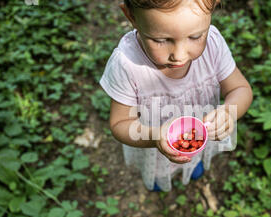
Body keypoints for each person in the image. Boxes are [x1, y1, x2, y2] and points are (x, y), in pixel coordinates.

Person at [99, 0, 253, 192]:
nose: (179, 55)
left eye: (196, 36)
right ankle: (159, 181)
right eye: (161, 40)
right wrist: (155, 137)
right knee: (158, 177)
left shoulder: (213, 44)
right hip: (154, 148)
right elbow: (119, 123)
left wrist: (229, 112)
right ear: (131, 16)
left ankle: (193, 166)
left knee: (194, 163)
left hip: (196, 139)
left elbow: (240, 89)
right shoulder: (126, 64)